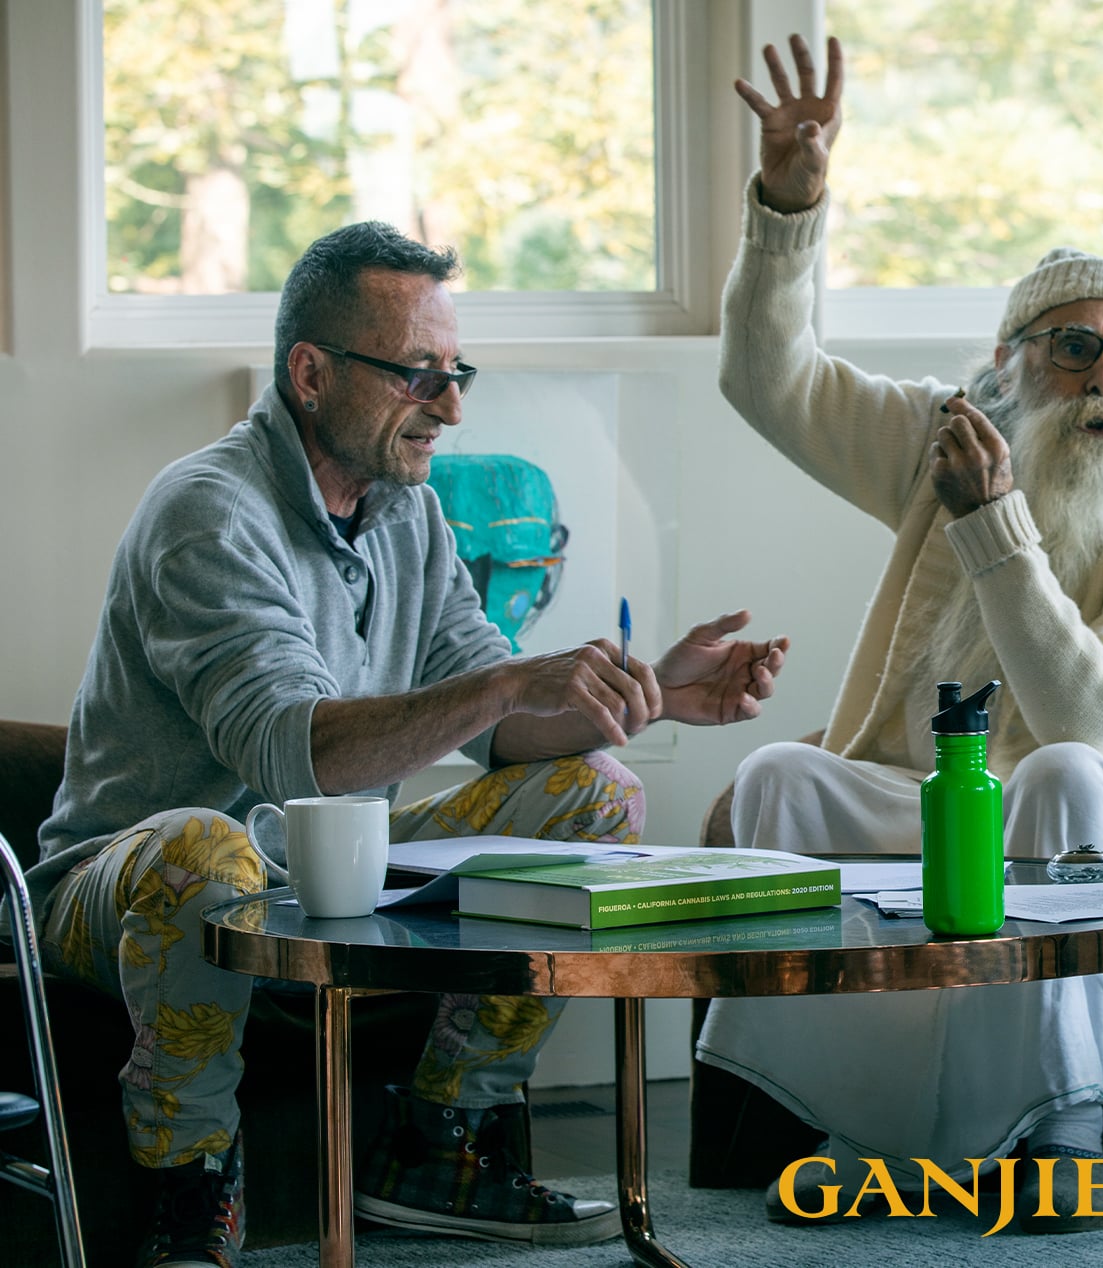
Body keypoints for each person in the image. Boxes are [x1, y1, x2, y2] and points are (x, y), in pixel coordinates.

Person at [28, 222, 789, 1268]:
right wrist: (509, 675)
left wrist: (649, 694)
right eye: (419, 375)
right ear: (309, 372)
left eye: (456, 371)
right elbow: (291, 749)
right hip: (118, 888)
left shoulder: (408, 513)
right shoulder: (208, 511)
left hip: (323, 873)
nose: (453, 404)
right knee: (206, 845)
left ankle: (439, 1144)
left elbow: (505, 730)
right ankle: (186, 1191)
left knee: (596, 795)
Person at [690, 35, 1103, 1235]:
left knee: (1054, 772)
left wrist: (994, 529)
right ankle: (862, 1128)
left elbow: (1095, 715)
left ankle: (1064, 1131)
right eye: (1074, 344)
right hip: (921, 799)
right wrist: (790, 204)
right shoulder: (939, 438)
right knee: (783, 776)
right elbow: (766, 377)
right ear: (1007, 363)